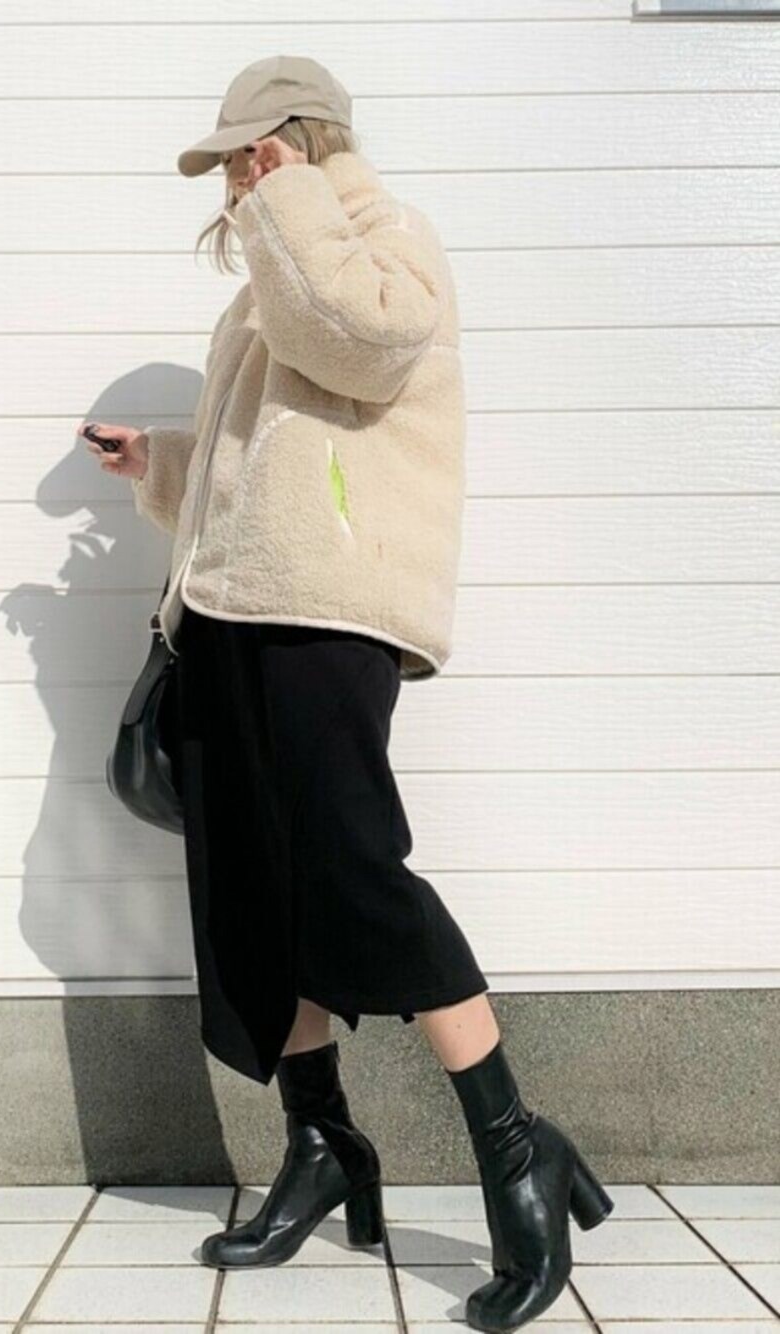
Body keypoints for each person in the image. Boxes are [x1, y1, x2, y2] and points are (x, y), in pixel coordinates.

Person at [79, 54, 613, 1334]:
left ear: (296, 140)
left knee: (354, 870)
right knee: (253, 891)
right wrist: (162, 462)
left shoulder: (382, 236)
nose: (233, 181)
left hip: (329, 611)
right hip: (231, 611)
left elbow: (364, 351)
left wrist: (292, 200)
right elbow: (261, 456)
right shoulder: (273, 273)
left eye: (245, 155)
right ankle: (320, 1141)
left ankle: (517, 1146)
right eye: (230, 166)